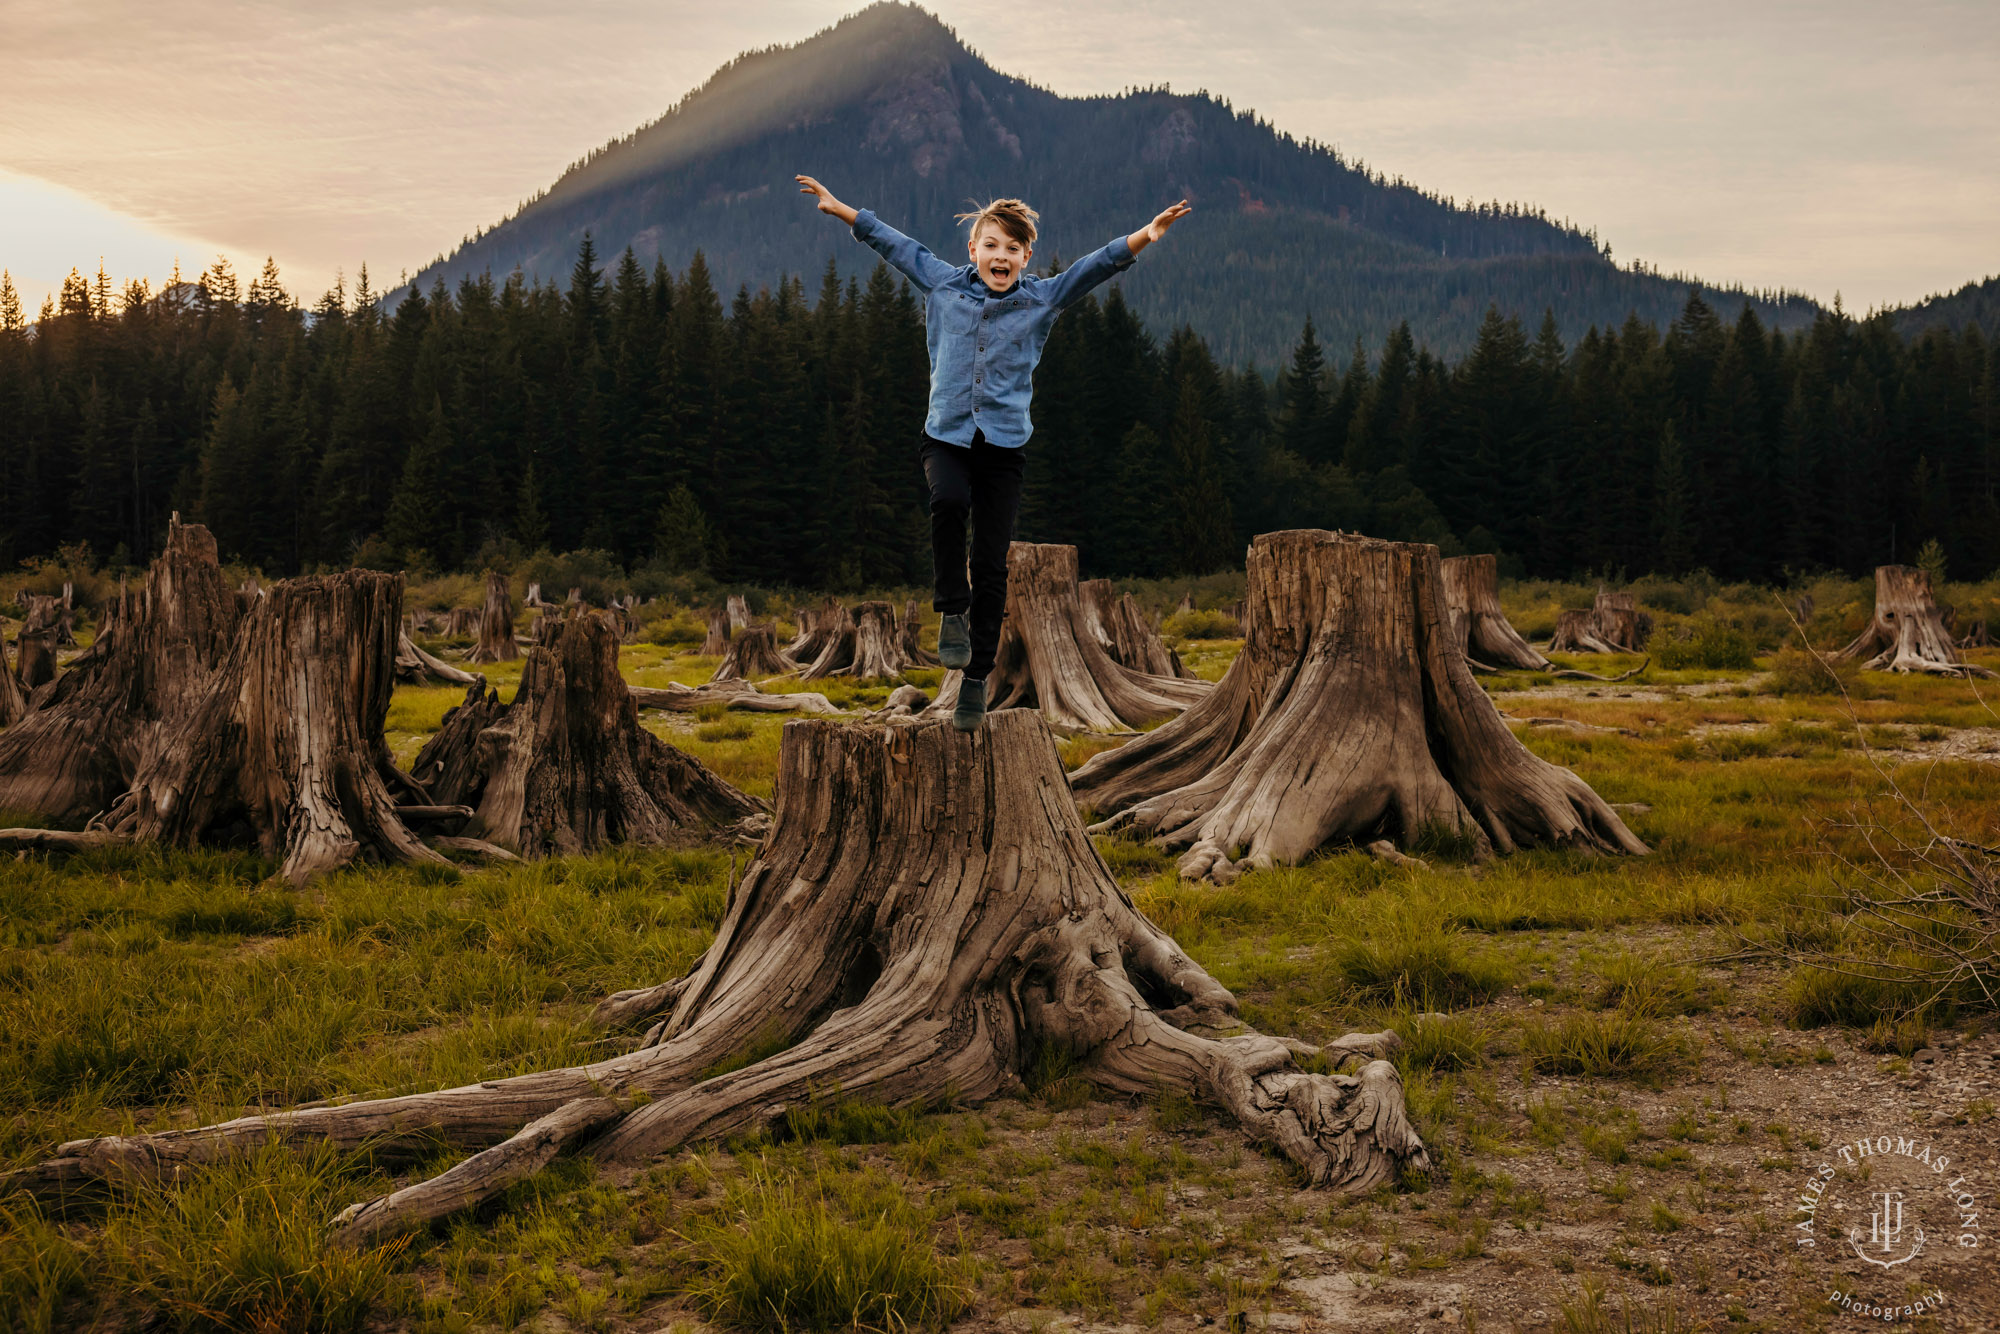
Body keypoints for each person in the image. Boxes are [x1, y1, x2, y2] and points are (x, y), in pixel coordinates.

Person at [795, 174, 1191, 730]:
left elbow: (1093, 266)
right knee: (948, 502)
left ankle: (976, 678)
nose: (1000, 257)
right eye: (991, 246)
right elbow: (898, 245)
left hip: (1004, 448)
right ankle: (950, 609)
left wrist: (1147, 234)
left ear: (1026, 256)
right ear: (973, 249)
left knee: (990, 563)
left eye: (1012, 249)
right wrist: (843, 211)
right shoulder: (942, 284)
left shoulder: (1042, 298)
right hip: (946, 436)